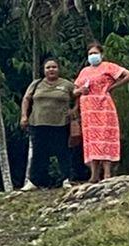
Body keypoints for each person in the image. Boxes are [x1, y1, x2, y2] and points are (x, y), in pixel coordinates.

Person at [73, 42, 129, 184]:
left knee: (105, 137)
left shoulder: (108, 66)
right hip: (88, 109)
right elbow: (74, 90)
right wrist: (80, 91)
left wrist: (112, 87)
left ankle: (107, 173)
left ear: (101, 54)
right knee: (91, 140)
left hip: (103, 106)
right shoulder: (84, 71)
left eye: (95, 53)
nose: (92, 56)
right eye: (90, 54)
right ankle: (94, 174)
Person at [20, 58, 76, 190]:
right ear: (44, 70)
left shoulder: (67, 84)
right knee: (39, 152)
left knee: (63, 151)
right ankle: (34, 181)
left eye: (54, 67)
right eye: (48, 67)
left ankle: (66, 179)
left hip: (61, 123)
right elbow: (26, 99)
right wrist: (24, 116)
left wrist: (74, 110)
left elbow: (79, 96)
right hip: (38, 123)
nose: (51, 69)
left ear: (59, 69)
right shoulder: (36, 84)